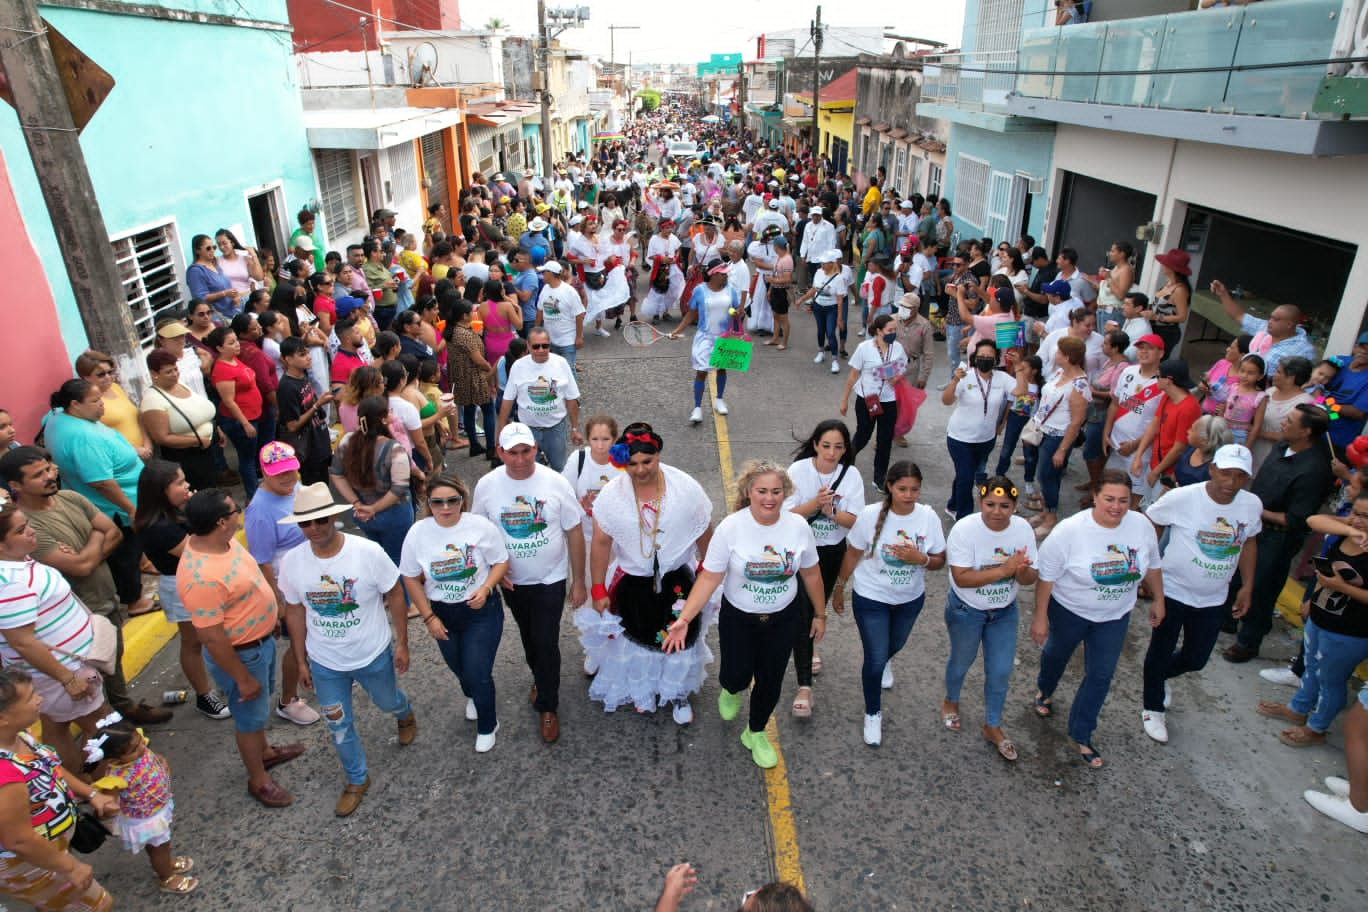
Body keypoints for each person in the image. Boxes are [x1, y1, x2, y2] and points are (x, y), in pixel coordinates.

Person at [662, 460, 825, 769]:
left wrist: (820, 614)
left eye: (777, 491)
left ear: (785, 493)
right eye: (762, 491)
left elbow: (812, 574)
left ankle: (756, 732)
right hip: (739, 619)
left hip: (783, 619)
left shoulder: (798, 527)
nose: (770, 498)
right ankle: (732, 688)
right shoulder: (731, 528)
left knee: (771, 680)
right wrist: (684, 619)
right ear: (749, 491)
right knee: (735, 675)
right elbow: (709, 577)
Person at [0, 448, 170, 727]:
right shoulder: (22, 526)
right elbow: (81, 567)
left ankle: (124, 707)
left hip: (105, 597)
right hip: (79, 612)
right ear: (16, 486)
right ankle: (111, 730)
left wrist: (86, 552)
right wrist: (95, 538)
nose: (49, 476)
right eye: (38, 475)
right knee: (92, 687)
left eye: (48, 469)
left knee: (113, 660)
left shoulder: (71, 498)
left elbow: (114, 532)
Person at [279, 483, 415, 816]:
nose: (313, 529)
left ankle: (403, 711)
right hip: (325, 662)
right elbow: (295, 610)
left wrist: (402, 642)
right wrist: (300, 659)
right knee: (338, 725)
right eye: (305, 524)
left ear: (332, 518)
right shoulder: (293, 562)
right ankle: (356, 779)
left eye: (320, 521)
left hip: (371, 653)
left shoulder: (366, 552)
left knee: (386, 700)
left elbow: (395, 593)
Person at [177, 489, 305, 807]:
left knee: (257, 711)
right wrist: (241, 678)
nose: (241, 513)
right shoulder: (201, 577)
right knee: (248, 719)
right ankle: (258, 779)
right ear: (222, 522)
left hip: (260, 643)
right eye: (236, 510)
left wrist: (270, 614)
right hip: (242, 656)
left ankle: (265, 752)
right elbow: (212, 638)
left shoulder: (224, 541)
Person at [579, 424, 714, 723]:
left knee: (680, 636)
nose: (640, 470)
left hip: (678, 579)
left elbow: (703, 527)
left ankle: (677, 692)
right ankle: (642, 689)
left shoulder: (685, 488)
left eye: (647, 462)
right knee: (636, 637)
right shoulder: (612, 497)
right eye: (633, 464)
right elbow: (601, 544)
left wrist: (708, 567)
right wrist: (598, 589)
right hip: (632, 581)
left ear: (658, 455)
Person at [1031, 470, 1164, 767]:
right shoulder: (1070, 530)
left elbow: (1153, 565)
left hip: (1114, 616)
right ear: (1094, 496)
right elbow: (1047, 577)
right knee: (1055, 654)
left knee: (1101, 675)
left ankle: (1081, 732)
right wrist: (1040, 617)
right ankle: (1045, 689)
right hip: (1069, 611)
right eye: (1109, 499)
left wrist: (1159, 598)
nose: (1116, 507)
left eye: (1123, 500)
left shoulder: (1141, 525)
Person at [470, 423, 587, 744]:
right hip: (512, 582)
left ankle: (548, 706)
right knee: (529, 636)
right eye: (513, 453)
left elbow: (574, 531)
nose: (520, 460)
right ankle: (540, 676)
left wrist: (579, 582)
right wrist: (490, 571)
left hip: (551, 578)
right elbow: (476, 534)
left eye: (526, 451)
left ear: (536, 449)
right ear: (500, 452)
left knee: (546, 640)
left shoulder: (555, 482)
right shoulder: (487, 486)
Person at [1137, 444, 1259, 745]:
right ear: (1213, 469)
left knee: (1196, 658)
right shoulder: (1183, 497)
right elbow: (1150, 522)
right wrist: (1148, 569)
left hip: (1215, 596)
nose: (1231, 482)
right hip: (1174, 590)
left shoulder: (1251, 504)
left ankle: (1159, 676)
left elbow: (1249, 543)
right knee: (1161, 648)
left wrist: (1247, 586)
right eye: (1226, 473)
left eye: (1240, 476)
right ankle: (1152, 707)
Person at [833, 461, 946, 747]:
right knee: (874, 658)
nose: (908, 495)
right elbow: (853, 552)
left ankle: (885, 660)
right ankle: (873, 712)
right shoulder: (870, 516)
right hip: (871, 597)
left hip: (909, 599)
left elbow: (939, 560)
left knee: (893, 646)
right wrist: (839, 586)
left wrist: (920, 559)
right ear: (890, 487)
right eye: (902, 489)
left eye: (915, 490)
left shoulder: (928, 518)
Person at [0, 504, 112, 776]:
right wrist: (67, 678)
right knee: (105, 729)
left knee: (56, 726)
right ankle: (110, 793)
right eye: (21, 530)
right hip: (59, 673)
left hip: (60, 671)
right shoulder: (8, 583)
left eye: (27, 523)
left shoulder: (19, 560)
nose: (31, 531)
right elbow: (23, 641)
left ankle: (77, 789)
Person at [401, 474, 508, 753]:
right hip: (442, 612)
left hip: (481, 611)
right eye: (437, 502)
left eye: (452, 500)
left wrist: (485, 588)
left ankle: (488, 723)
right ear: (428, 503)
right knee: (458, 667)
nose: (445, 508)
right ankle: (472, 693)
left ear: (463, 500)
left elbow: (500, 560)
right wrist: (429, 617)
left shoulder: (480, 527)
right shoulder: (417, 533)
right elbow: (410, 577)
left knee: (477, 670)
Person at [0, 668, 120, 912]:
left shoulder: (18, 735)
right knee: (99, 905)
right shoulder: (5, 774)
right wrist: (70, 867)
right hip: (28, 863)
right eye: (31, 696)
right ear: (3, 718)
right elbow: (19, 840)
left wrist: (91, 794)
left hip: (46, 853)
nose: (39, 699)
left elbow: (49, 766)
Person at [1224, 403, 1334, 663]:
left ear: (1306, 431)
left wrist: (1257, 510)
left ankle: (1249, 642)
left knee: (1263, 587)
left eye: (1291, 420)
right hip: (1253, 525)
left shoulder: (1314, 470)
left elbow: (1297, 519)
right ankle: (1228, 619)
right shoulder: (1281, 447)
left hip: (1278, 536)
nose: (1283, 422)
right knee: (1235, 575)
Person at [943, 476, 1037, 760]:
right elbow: (961, 578)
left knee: (1000, 670)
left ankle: (992, 724)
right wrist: (1005, 570)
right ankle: (951, 699)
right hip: (966, 610)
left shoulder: (1023, 530)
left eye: (1005, 505)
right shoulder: (964, 530)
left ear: (1016, 506)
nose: (997, 511)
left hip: (1005, 612)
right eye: (990, 504)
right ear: (980, 502)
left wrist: (1021, 570)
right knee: (961, 662)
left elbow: (1030, 578)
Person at [40, 380, 147, 626]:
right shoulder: (83, 437)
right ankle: (134, 601)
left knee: (126, 553)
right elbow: (101, 481)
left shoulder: (57, 417)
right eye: (95, 401)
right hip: (114, 507)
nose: (102, 405)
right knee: (126, 553)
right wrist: (130, 509)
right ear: (75, 404)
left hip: (102, 500)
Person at [131, 460, 230, 721]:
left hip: (203, 582)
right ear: (160, 490)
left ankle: (226, 680)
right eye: (179, 483)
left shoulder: (177, 511)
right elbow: (198, 550)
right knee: (194, 642)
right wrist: (202, 512)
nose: (187, 486)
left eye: (185, 480)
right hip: (181, 587)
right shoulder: (157, 526)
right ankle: (204, 695)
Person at [783, 420, 864, 715]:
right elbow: (786, 515)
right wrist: (815, 505)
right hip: (801, 550)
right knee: (803, 611)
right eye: (826, 446)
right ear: (815, 444)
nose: (831, 453)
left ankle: (810, 646)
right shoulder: (797, 471)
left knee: (818, 605)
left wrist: (832, 512)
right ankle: (805, 686)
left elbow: (856, 521)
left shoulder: (851, 475)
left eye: (838, 447)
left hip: (831, 551)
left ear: (846, 450)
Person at [242, 442, 322, 727]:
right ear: (264, 473)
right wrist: (278, 601)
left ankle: (323, 676)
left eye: (291, 471)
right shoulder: (259, 511)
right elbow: (262, 561)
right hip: (290, 588)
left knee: (319, 635)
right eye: (280, 474)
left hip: (314, 577)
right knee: (300, 644)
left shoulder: (297, 489)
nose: (288, 479)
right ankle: (287, 701)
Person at [84, 716, 197, 894]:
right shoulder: (116, 777)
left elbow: (150, 755)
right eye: (135, 749)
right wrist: (107, 809)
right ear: (113, 759)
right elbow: (106, 804)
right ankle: (166, 877)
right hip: (146, 820)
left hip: (157, 808)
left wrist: (159, 759)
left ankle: (166, 863)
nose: (142, 747)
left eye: (140, 742)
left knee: (162, 846)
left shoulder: (138, 749)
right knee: (159, 848)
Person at [330, 397, 415, 568]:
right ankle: (399, 595)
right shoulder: (394, 449)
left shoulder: (347, 442)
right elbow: (399, 488)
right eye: (389, 411)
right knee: (397, 563)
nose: (392, 414)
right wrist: (374, 509)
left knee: (377, 560)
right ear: (383, 419)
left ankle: (382, 594)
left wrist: (357, 503)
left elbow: (336, 474)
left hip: (362, 515)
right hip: (394, 515)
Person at [941, 340, 1014, 520]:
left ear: (996, 359)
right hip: (960, 438)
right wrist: (955, 380)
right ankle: (964, 518)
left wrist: (1019, 367)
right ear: (974, 358)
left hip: (986, 439)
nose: (985, 360)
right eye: (981, 357)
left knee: (965, 474)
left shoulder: (1002, 378)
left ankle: (953, 504)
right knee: (966, 478)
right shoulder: (965, 376)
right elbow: (946, 400)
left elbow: (1021, 391)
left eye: (989, 357)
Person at [496, 326, 583, 473]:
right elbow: (507, 400)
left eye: (545, 346)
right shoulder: (518, 366)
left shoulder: (561, 363)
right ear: (528, 347)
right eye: (536, 346)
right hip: (527, 431)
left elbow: (571, 398)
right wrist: (500, 432)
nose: (541, 350)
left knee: (560, 469)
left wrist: (574, 428)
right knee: (528, 471)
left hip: (555, 429)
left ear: (550, 344)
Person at [840, 313, 907, 490]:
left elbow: (902, 367)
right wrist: (844, 400)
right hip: (867, 399)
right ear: (878, 331)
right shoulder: (864, 348)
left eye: (895, 330)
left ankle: (880, 478)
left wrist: (897, 378)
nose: (893, 333)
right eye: (889, 330)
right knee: (862, 436)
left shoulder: (898, 348)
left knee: (885, 441)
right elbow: (853, 375)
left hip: (888, 399)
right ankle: (845, 466)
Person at [667, 262, 740, 424]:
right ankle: (697, 408)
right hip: (704, 338)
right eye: (723, 273)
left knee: (722, 369)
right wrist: (677, 331)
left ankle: (719, 399)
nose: (726, 276)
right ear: (713, 274)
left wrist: (736, 314)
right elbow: (691, 314)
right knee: (701, 372)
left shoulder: (731, 290)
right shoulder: (699, 290)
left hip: (724, 337)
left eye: (726, 273)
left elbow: (736, 311)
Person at [140, 349, 219, 491]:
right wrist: (197, 440)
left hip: (207, 450)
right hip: (187, 457)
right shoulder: (152, 400)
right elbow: (161, 438)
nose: (175, 374)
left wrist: (215, 429)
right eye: (168, 372)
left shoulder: (180, 384)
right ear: (154, 374)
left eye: (176, 369)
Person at [1102, 333, 1165, 505]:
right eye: (1141, 348)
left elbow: (1159, 423)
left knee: (1133, 498)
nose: (1143, 352)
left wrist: (1134, 445)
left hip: (1139, 452)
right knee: (1109, 488)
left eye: (1149, 349)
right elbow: (1115, 403)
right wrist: (1106, 434)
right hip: (1116, 444)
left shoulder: (1163, 383)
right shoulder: (1127, 372)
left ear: (1161, 353)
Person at [1130, 360, 1203, 500]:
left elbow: (1179, 447)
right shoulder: (1167, 397)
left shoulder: (1189, 408)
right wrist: (1138, 455)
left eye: (1158, 376)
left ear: (1169, 380)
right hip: (1156, 464)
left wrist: (1156, 472)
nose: (1155, 379)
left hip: (1167, 471)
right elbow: (1154, 424)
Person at [207, 327, 265, 499]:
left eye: (236, 340)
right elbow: (228, 401)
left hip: (252, 415)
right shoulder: (223, 370)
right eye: (231, 343)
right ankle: (253, 495)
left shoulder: (233, 360)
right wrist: (245, 423)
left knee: (250, 456)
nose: (237, 345)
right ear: (219, 348)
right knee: (246, 459)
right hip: (239, 421)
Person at [273, 337, 334, 485]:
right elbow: (292, 425)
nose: (308, 357)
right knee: (315, 491)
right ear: (288, 359)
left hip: (320, 442)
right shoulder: (287, 388)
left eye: (307, 353)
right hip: (308, 451)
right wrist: (317, 405)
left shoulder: (303, 376)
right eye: (302, 354)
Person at [73, 351, 149, 461]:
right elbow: (99, 437)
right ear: (85, 377)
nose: (108, 377)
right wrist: (133, 450)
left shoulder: (115, 387)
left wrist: (147, 443)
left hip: (144, 453)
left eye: (110, 372)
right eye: (101, 374)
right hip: (122, 458)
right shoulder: (88, 402)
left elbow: (136, 418)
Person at [1249, 356, 1314, 475]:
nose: (1273, 374)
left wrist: (1258, 432)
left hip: (1270, 462)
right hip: (1251, 454)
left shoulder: (1304, 404)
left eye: (1278, 372)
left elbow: (1296, 437)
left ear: (1290, 378)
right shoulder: (1270, 391)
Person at [795, 250, 848, 374]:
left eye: (824, 263)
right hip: (818, 307)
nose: (822, 266)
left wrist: (840, 318)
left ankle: (834, 360)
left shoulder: (838, 278)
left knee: (830, 333)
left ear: (831, 263)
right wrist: (801, 300)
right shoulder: (819, 273)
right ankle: (821, 352)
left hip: (832, 308)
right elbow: (814, 289)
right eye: (821, 263)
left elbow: (840, 300)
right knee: (820, 331)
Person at [534, 262, 585, 369]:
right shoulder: (545, 289)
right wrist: (535, 332)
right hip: (550, 340)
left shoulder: (569, 291)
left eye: (544, 272)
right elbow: (540, 311)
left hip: (567, 340)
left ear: (551, 273)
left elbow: (579, 314)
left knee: (568, 370)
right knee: (553, 369)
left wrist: (579, 337)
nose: (541, 274)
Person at [1172, 414, 1235, 488]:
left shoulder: (1215, 467)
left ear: (1203, 441)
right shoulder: (1190, 449)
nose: (1188, 431)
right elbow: (1174, 476)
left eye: (1192, 429)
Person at [186, 234, 239, 320]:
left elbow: (226, 286)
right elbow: (200, 298)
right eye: (208, 248)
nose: (212, 250)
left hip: (231, 312)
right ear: (197, 251)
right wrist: (224, 293)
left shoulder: (214, 265)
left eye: (213, 247)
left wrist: (234, 297)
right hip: (217, 316)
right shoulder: (196, 271)